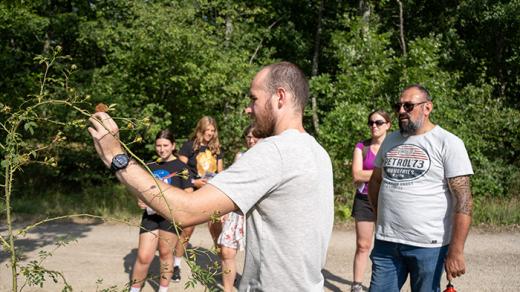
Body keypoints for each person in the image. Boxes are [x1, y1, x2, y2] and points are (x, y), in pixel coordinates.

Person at [88, 61, 334, 291]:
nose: (249, 109)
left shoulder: (274, 151)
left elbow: (185, 212)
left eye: (254, 98)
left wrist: (116, 157)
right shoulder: (318, 153)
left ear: (279, 96)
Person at [367, 84, 474, 292]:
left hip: (428, 246)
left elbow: (464, 200)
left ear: (427, 108)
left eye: (408, 106)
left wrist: (456, 250)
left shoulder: (448, 143)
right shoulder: (390, 140)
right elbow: (375, 181)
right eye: (398, 106)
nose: (400, 111)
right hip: (387, 243)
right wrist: (379, 215)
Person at [130, 130, 193, 292]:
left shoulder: (181, 167)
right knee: (144, 256)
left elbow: (188, 195)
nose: (162, 149)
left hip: (170, 218)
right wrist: (141, 200)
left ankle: (163, 290)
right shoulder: (151, 166)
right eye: (158, 145)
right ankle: (134, 289)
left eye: (165, 145)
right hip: (150, 217)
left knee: (165, 254)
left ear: (173, 146)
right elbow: (141, 191)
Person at [350, 110, 391, 292]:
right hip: (364, 199)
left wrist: (370, 175)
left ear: (388, 125)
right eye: (371, 122)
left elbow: (396, 173)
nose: (374, 126)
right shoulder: (361, 147)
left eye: (379, 122)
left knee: (386, 246)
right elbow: (356, 175)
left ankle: (381, 285)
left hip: (388, 200)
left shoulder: (394, 146)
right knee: (363, 245)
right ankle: (357, 285)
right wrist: (384, 172)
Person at [218, 125, 259, 292]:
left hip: (257, 213)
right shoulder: (240, 156)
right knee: (226, 251)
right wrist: (224, 209)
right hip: (236, 211)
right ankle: (227, 289)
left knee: (257, 256)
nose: (251, 140)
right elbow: (232, 185)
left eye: (255, 136)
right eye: (248, 137)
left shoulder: (270, 157)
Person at [178, 116, 224, 259]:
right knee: (188, 229)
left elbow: (221, 174)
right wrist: (193, 182)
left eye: (212, 130)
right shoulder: (188, 146)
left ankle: (223, 264)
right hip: (192, 192)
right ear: (200, 129)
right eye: (207, 130)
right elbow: (180, 172)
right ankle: (175, 263)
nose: (210, 133)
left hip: (212, 193)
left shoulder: (216, 149)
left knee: (217, 230)